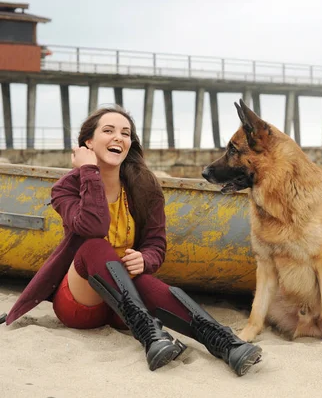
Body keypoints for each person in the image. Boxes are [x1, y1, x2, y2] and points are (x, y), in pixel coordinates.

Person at [4, 105, 262, 376]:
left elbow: (156, 245)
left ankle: (224, 342)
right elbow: (93, 227)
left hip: (123, 308)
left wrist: (145, 258)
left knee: (144, 279)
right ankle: (150, 334)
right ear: (88, 142)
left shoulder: (144, 187)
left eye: (125, 133)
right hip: (80, 304)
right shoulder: (66, 188)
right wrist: (90, 171)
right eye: (108, 130)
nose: (119, 137)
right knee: (95, 246)